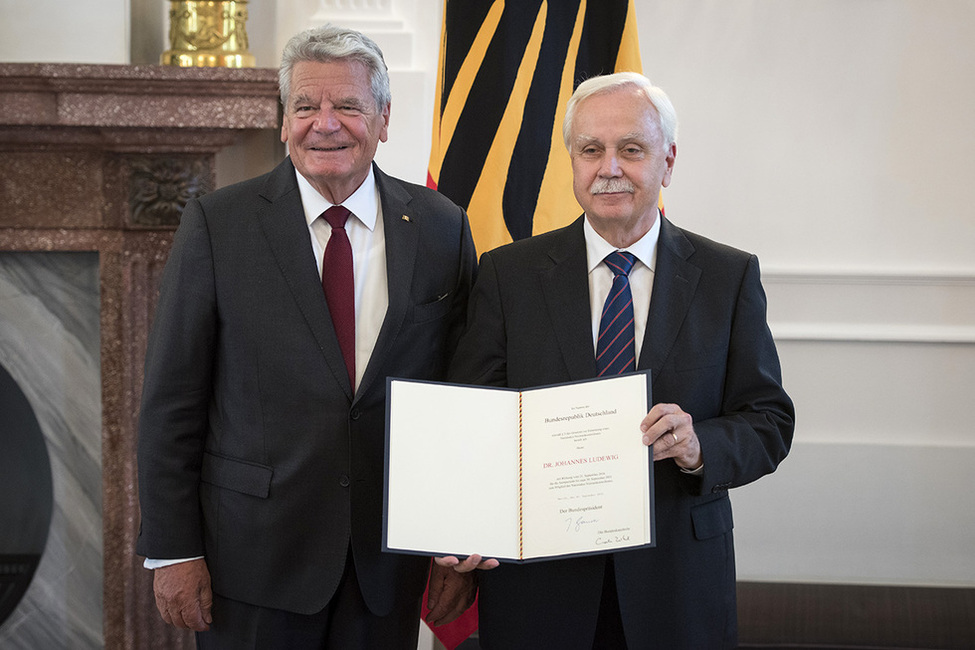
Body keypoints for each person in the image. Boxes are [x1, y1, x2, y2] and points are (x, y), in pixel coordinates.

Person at [136, 24, 477, 649]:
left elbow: (462, 396)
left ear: (383, 118)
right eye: (306, 106)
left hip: (386, 562)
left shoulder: (440, 228)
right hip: (252, 560)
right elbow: (171, 402)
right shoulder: (219, 224)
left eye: (347, 105)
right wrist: (171, 549)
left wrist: (454, 543)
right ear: (284, 119)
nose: (326, 123)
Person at [444, 72, 795, 648]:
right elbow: (471, 421)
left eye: (631, 149)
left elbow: (769, 420)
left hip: (676, 583)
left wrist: (698, 445)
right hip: (539, 586)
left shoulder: (727, 278)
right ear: (573, 163)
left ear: (668, 161)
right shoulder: (508, 275)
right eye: (591, 150)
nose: (609, 167)